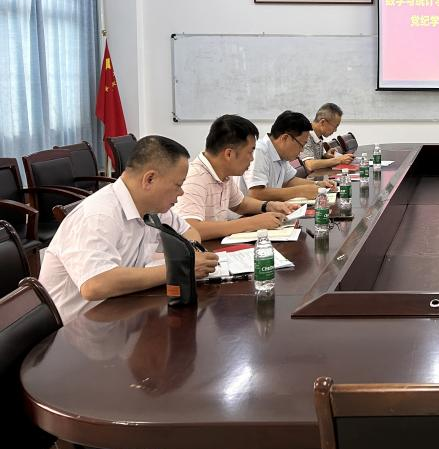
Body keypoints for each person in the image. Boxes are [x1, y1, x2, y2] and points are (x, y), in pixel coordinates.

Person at [39, 135, 219, 324]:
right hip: (77, 334)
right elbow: (95, 285)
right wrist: (180, 268)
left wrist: (191, 255)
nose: (181, 193)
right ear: (149, 179)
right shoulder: (98, 215)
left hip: (121, 314)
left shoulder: (153, 204)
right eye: (178, 185)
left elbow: (189, 233)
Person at [176, 114, 298, 240]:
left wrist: (268, 205)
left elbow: (240, 203)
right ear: (229, 154)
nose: (252, 158)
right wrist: (251, 223)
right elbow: (190, 229)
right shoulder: (194, 177)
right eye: (250, 152)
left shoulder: (223, 174)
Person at [242, 110, 322, 201]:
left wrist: (317, 184)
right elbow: (255, 194)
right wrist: (299, 192)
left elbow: (288, 181)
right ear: (285, 138)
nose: (302, 150)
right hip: (247, 214)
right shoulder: (259, 151)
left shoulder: (281, 154)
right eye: (301, 145)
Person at [299, 102, 354, 174]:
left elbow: (314, 159)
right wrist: (338, 160)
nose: (335, 130)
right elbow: (310, 165)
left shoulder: (318, 137)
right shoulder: (306, 135)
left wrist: (325, 156)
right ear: (323, 122)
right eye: (335, 126)